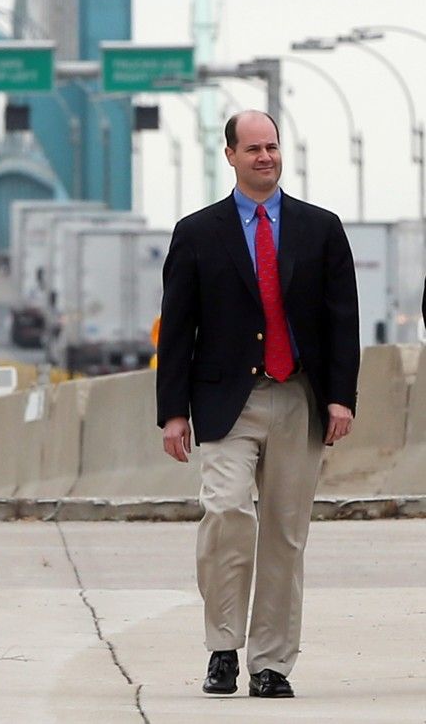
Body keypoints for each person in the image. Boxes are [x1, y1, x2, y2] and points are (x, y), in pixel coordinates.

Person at [156, 110, 360, 699]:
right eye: (252, 149)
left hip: (299, 396)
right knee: (226, 513)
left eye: (272, 147)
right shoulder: (197, 232)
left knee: (285, 534)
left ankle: (271, 664)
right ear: (230, 156)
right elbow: (178, 329)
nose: (264, 157)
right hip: (226, 401)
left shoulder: (321, 229)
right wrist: (173, 411)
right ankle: (223, 646)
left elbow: (341, 321)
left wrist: (341, 399)